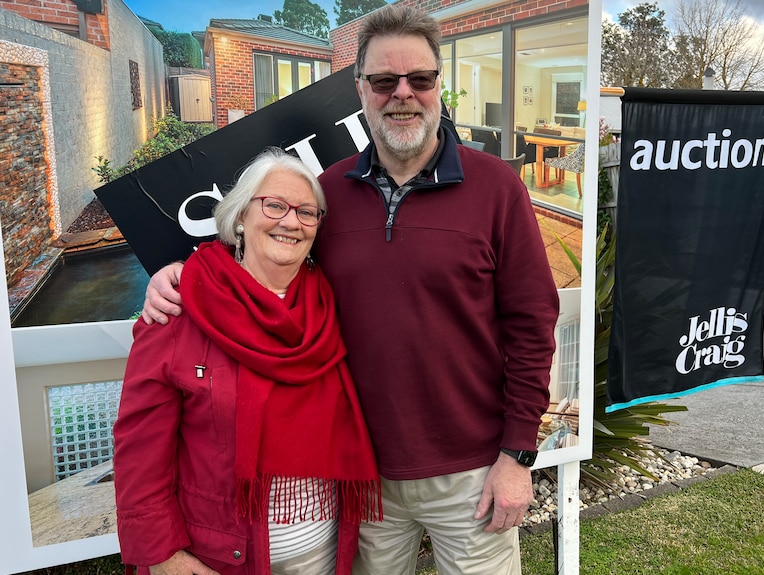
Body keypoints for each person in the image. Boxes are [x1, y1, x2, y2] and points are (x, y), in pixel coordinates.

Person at [142, 5, 559, 574]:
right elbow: (265, 258)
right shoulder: (327, 193)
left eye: (420, 79)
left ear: (440, 85)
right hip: (360, 476)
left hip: (471, 470)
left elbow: (532, 324)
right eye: (385, 81)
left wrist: (517, 455)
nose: (402, 94)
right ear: (361, 88)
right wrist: (182, 273)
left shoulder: (497, 188)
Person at [113, 147, 381, 575]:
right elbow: (139, 449)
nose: (291, 221)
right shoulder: (181, 307)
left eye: (307, 213)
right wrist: (163, 555)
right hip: (223, 558)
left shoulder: (332, 303)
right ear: (240, 216)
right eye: (274, 205)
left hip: (326, 551)